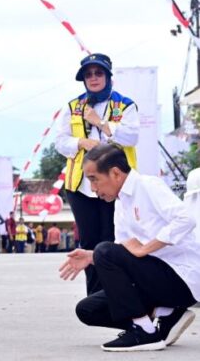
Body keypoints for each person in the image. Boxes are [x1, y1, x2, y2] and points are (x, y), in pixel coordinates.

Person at [60, 144, 199, 352]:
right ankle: (166, 315)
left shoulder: (148, 185)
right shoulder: (121, 202)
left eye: (94, 179)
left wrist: (146, 248)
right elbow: (120, 251)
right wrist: (91, 257)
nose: (93, 189)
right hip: (154, 280)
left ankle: (145, 331)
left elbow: (185, 220)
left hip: (182, 278)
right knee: (88, 310)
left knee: (104, 250)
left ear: (115, 173)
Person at [55, 53, 140, 295]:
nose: (93, 78)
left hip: (115, 186)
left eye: (98, 73)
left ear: (108, 75)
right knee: (89, 241)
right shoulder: (73, 106)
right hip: (80, 185)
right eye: (88, 74)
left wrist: (101, 123)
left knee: (112, 240)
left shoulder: (125, 104)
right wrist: (81, 142)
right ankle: (95, 296)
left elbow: (132, 137)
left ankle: (118, 291)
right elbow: (60, 142)